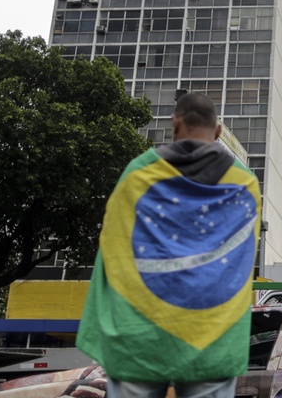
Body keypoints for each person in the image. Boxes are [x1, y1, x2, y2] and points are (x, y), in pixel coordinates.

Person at [77, 93, 261, 398]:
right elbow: (239, 260)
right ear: (217, 132)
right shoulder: (245, 182)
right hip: (212, 336)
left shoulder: (137, 173)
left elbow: (113, 245)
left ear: (175, 123)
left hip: (141, 333)